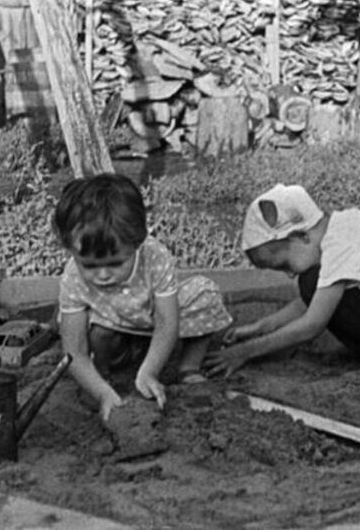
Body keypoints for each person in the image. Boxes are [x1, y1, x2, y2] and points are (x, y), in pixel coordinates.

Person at [204, 184, 360, 384]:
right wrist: (262, 327)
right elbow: (316, 300)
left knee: (310, 281)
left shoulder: (339, 243)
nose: (289, 275)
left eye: (284, 265)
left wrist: (243, 352)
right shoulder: (341, 228)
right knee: (313, 285)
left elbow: (313, 323)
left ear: (301, 236)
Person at [53, 173, 232, 420]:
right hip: (109, 320)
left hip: (152, 316)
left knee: (204, 295)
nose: (103, 275)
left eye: (115, 263)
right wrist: (102, 394)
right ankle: (101, 376)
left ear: (137, 242)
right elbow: (74, 349)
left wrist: (149, 372)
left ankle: (188, 367)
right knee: (93, 331)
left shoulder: (155, 257)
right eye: (90, 265)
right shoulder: (73, 276)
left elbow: (167, 322)